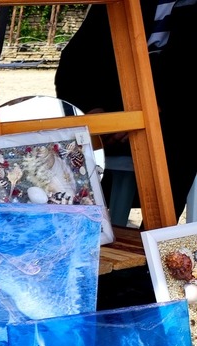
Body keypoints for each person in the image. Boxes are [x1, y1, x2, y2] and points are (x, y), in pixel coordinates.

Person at [55, 0, 197, 221]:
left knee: (179, 139)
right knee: (51, 154)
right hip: (111, 111)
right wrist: (92, 108)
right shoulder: (120, 4)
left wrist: (150, 112)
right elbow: (75, 61)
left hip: (174, 117)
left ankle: (156, 234)